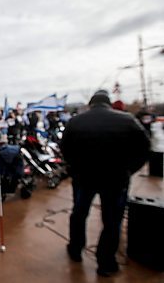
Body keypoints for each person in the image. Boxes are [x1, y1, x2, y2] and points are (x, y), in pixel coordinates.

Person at [60, 90, 149, 277]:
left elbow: (64, 149)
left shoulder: (76, 121)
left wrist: (75, 167)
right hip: (116, 179)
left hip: (83, 178)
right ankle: (106, 263)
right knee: (111, 221)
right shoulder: (127, 119)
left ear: (91, 103)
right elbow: (144, 148)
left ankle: (75, 249)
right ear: (108, 103)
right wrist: (129, 169)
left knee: (79, 213)